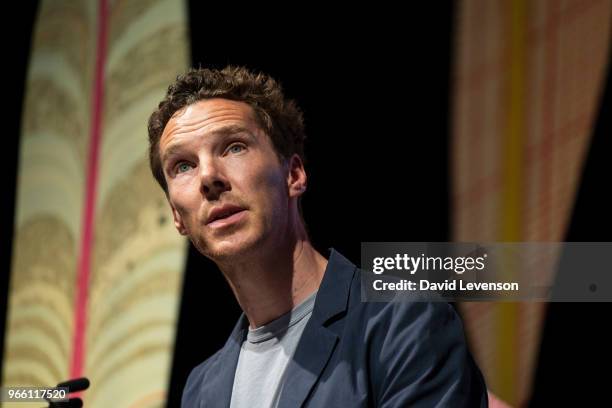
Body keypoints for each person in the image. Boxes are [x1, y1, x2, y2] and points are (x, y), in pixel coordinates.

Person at [147, 66, 488, 407]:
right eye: (183, 166)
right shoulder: (200, 389)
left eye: (234, 147)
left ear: (293, 174)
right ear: (177, 216)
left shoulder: (401, 323)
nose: (208, 176)